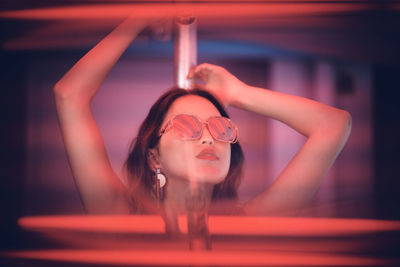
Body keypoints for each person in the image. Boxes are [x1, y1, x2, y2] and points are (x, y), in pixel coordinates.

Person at [53, 17, 351, 230]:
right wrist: (138, 16)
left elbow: (334, 124)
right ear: (153, 154)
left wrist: (240, 94)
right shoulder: (120, 219)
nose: (209, 139)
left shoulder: (249, 228)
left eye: (221, 128)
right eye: (186, 125)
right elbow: (69, 94)